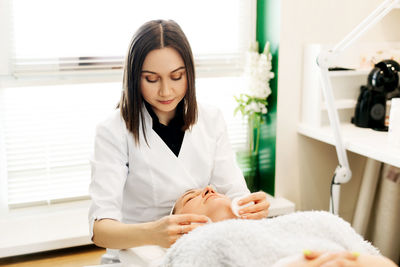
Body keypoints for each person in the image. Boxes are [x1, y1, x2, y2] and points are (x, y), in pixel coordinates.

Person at [88, 19, 270, 251]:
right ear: (135, 78)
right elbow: (101, 231)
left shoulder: (211, 119)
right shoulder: (113, 131)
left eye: (176, 77)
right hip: (140, 250)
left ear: (189, 74)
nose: (166, 91)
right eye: (151, 79)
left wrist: (251, 207)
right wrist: (153, 233)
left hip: (204, 244)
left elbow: (235, 193)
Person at [165, 186, 398, 267]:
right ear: (182, 228)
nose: (209, 189)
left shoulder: (297, 223)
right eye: (190, 197)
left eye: (214, 190)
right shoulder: (195, 245)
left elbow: (359, 247)